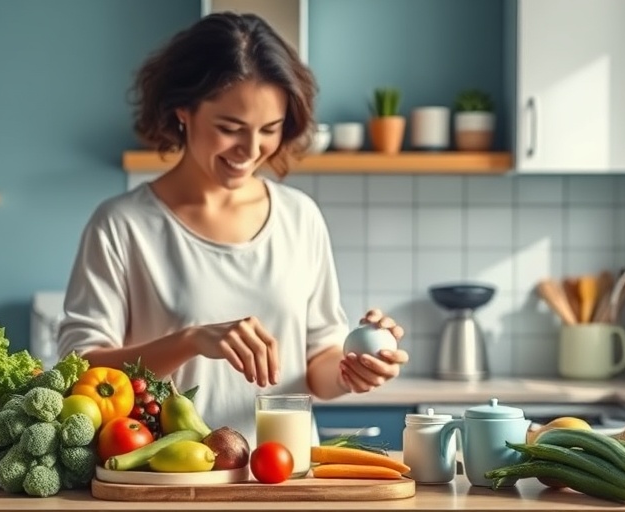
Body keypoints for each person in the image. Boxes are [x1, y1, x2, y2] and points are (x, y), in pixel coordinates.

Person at [58, 12, 409, 445]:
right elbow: (79, 370)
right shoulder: (122, 225)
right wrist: (191, 340)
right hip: (169, 477)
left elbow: (318, 368)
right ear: (182, 111)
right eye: (230, 128)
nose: (250, 149)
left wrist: (353, 370)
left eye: (270, 130)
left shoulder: (300, 217)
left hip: (285, 475)